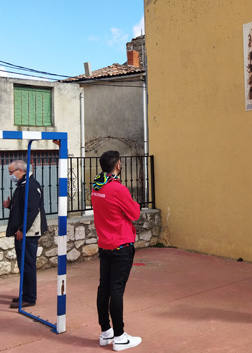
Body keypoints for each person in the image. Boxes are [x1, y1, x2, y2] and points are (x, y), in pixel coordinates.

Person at [92, 150, 142, 351]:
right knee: (116, 290)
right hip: (121, 244)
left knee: (104, 288)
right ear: (118, 165)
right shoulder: (117, 189)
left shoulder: (97, 187)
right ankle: (120, 335)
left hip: (105, 244)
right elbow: (135, 213)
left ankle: (106, 331)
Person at [3, 160, 47, 309]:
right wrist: (11, 206)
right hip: (24, 231)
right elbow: (23, 208)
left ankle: (29, 297)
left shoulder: (30, 185)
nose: (10, 175)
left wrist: (22, 229)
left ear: (20, 170)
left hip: (28, 232)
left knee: (28, 264)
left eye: (11, 172)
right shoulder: (23, 185)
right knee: (24, 264)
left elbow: (31, 210)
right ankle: (26, 293)